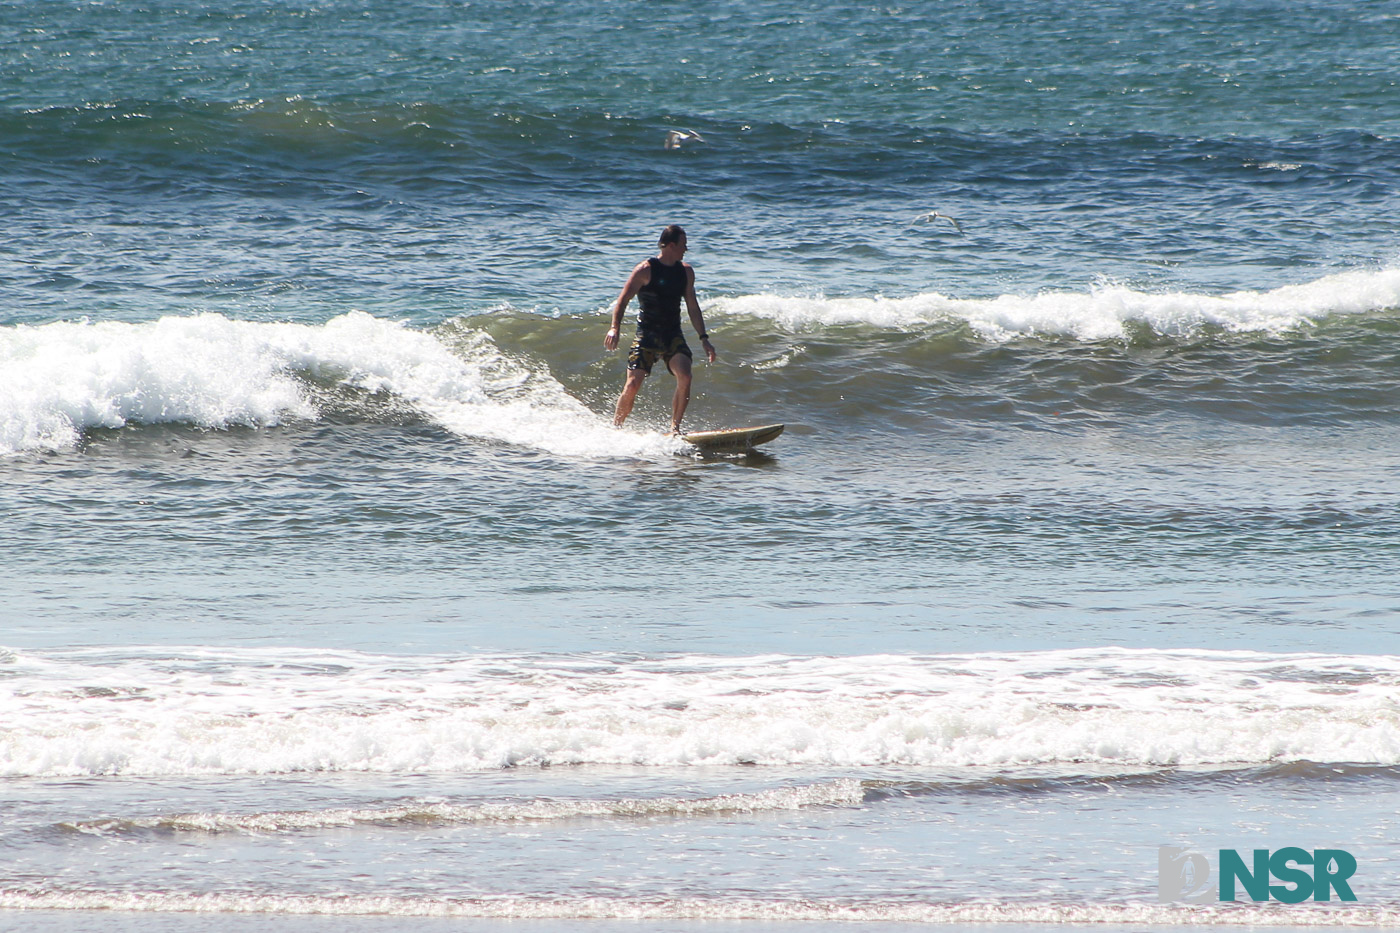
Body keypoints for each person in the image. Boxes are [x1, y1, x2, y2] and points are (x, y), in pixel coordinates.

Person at [604, 224, 716, 433]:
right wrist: (614, 328)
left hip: (672, 335)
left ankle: (675, 429)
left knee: (686, 376)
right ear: (671, 245)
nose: (686, 249)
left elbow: (692, 306)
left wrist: (704, 338)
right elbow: (622, 301)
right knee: (632, 385)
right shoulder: (645, 270)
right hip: (647, 334)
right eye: (683, 245)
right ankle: (615, 429)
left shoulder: (686, 272)